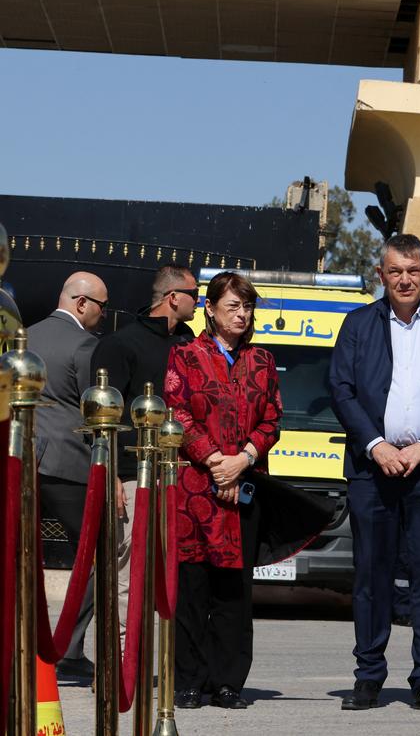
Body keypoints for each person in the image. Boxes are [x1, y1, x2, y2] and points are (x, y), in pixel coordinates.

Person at [328, 234, 420, 713]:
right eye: (396, 271)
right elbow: (342, 390)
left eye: (413, 270)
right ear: (382, 275)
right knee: (371, 575)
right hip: (373, 471)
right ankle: (368, 676)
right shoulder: (357, 325)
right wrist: (376, 446)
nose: (405, 279)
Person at [164, 271, 281, 710]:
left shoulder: (263, 361)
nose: (242, 314)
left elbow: (272, 419)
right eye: (233, 306)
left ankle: (229, 681)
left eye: (247, 307)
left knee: (235, 591)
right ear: (210, 310)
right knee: (193, 589)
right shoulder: (185, 356)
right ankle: (189, 680)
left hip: (244, 488)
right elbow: (177, 414)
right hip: (197, 491)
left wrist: (242, 460)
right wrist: (216, 463)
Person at [92, 265, 197, 653]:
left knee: (166, 574)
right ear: (173, 298)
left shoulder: (188, 344)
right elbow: (103, 420)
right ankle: (119, 659)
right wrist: (112, 477)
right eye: (194, 294)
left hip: (178, 478)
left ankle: (157, 661)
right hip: (132, 478)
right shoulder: (120, 345)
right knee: (125, 571)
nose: (198, 302)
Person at [28, 271, 109, 679]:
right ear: (81, 303)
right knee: (101, 553)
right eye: (101, 306)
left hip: (22, 461)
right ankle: (69, 648)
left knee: (19, 555)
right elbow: (98, 415)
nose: (104, 314)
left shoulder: (23, 336)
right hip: (68, 467)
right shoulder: (85, 345)